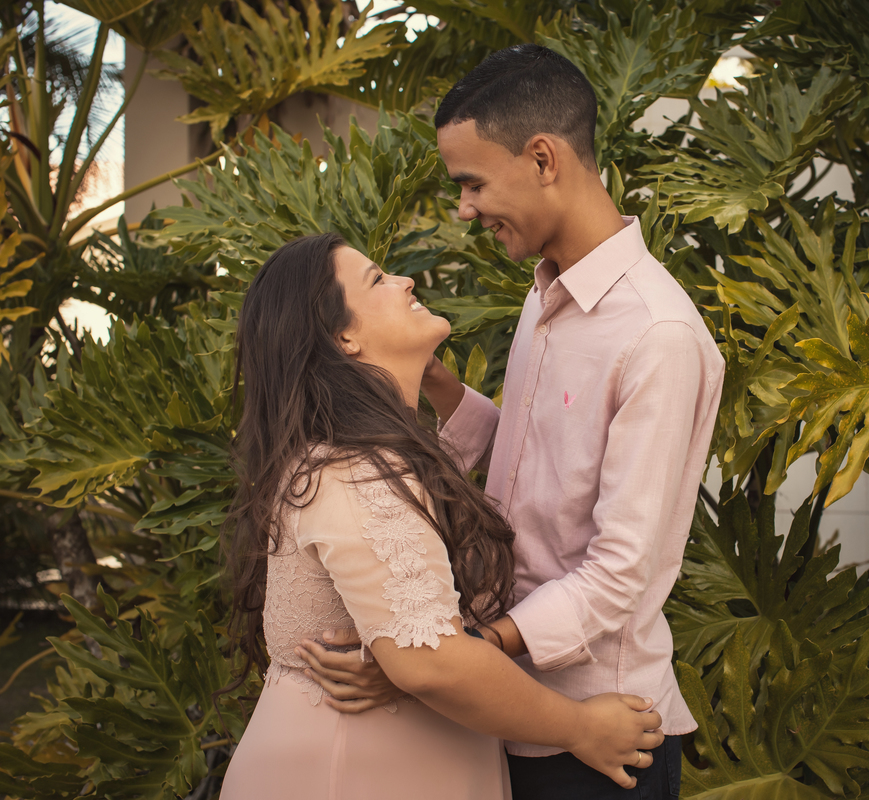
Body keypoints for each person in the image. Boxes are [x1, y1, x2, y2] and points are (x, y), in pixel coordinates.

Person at [300, 44, 725, 799]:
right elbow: (532, 463)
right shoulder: (544, 296)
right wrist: (440, 390)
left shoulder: (657, 337)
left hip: (597, 730)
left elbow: (619, 569)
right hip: (511, 716)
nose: (464, 208)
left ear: (541, 158)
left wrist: (464, 651)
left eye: (472, 183)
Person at [218, 233, 665, 800]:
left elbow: (481, 460)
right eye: (378, 279)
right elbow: (431, 663)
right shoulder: (359, 473)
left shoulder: (364, 455)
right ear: (345, 337)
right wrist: (581, 728)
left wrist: (427, 375)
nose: (405, 281)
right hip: (351, 773)